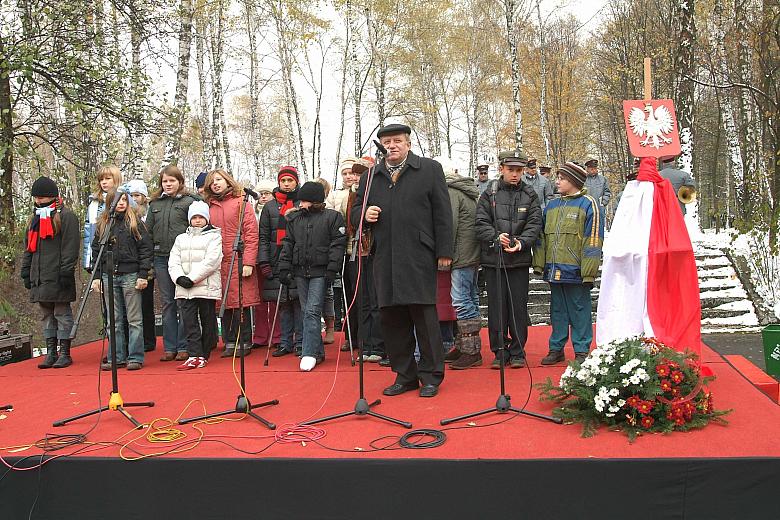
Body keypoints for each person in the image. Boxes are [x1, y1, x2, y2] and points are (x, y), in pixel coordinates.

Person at [350, 123, 453, 398]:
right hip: (384, 256)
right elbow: (355, 211)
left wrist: (445, 252)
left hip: (419, 254)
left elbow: (443, 212)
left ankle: (431, 375)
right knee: (392, 319)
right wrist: (365, 214)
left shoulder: (429, 169)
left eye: (397, 140)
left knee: (424, 316)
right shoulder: (372, 175)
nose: (391, 145)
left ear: (408, 144)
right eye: (386, 141)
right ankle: (405, 375)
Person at [475, 151, 542, 369]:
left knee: (518, 307)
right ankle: (499, 351)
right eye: (510, 170)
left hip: (519, 260)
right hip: (494, 260)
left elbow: (535, 224)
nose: (515, 174)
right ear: (501, 168)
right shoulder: (489, 193)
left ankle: (518, 351)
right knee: (496, 308)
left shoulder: (530, 194)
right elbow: (480, 222)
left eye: (519, 171)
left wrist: (522, 242)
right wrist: (495, 237)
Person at [533, 162, 604, 365]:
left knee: (579, 308)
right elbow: (541, 237)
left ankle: (581, 349)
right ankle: (556, 348)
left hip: (576, 270)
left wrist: (588, 271)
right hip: (554, 269)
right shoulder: (552, 206)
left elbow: (593, 240)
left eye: (561, 178)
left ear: (573, 181)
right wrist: (540, 265)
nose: (557, 182)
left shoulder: (589, 204)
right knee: (557, 310)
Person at [278, 182, 347, 371]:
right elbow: (288, 243)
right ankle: (317, 352)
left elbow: (337, 243)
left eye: (304, 200)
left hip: (321, 270)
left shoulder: (332, 217)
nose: (300, 204)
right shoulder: (295, 220)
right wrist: (284, 267)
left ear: (315, 201)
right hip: (300, 270)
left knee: (312, 310)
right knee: (306, 309)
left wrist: (333, 267)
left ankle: (308, 352)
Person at [90, 189, 152, 371]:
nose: (122, 203)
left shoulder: (135, 223)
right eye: (118, 200)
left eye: (125, 199)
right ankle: (116, 356)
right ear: (110, 203)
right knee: (113, 320)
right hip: (109, 275)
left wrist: (143, 274)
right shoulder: (103, 224)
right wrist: (96, 277)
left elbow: (145, 250)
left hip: (131, 274)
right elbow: (96, 252)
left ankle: (135, 356)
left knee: (134, 319)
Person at [22, 177, 80, 369]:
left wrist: (65, 271)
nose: (38, 201)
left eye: (42, 197)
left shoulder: (66, 216)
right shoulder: (34, 219)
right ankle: (51, 352)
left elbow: (70, 247)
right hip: (39, 275)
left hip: (58, 274)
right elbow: (29, 248)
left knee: (62, 313)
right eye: (36, 198)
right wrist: (26, 271)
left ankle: (65, 352)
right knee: (46, 315)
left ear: (52, 197)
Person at [204, 169, 260, 357]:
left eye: (219, 180)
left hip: (239, 258)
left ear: (228, 181)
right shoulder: (208, 206)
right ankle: (229, 341)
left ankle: (244, 340)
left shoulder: (241, 202)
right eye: (212, 182)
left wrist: (249, 262)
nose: (215, 184)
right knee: (223, 303)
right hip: (217, 261)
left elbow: (251, 233)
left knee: (240, 302)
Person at [146, 165, 199, 361]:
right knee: (167, 303)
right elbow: (148, 232)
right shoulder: (155, 204)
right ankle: (170, 347)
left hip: (184, 259)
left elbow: (198, 226)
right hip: (160, 258)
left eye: (172, 181)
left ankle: (185, 345)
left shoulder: (190, 202)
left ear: (180, 182)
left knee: (183, 301)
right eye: (165, 181)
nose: (168, 184)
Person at [168, 201, 223, 369]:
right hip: (185, 288)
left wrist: (192, 278)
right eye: (194, 217)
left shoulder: (214, 236)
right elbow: (173, 261)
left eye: (201, 217)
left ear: (207, 218)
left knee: (207, 320)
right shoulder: (181, 238)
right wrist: (179, 278)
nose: (197, 220)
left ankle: (204, 353)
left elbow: (212, 261)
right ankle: (194, 354)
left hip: (205, 286)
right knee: (189, 321)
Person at [440, 162, 483, 370]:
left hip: (460, 255)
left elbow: (449, 225)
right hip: (471, 254)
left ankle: (470, 350)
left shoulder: (449, 192)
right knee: (470, 297)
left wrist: (443, 253)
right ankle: (465, 345)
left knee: (461, 300)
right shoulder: (465, 190)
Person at [259, 166, 303, 357]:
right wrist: (264, 262)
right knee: (282, 302)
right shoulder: (269, 207)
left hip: (298, 258)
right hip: (277, 259)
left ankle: (301, 341)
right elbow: (263, 237)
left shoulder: (302, 202)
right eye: (283, 181)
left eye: (290, 181)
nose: (286, 184)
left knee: (299, 302)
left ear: (296, 182)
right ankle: (285, 342)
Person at [326, 157, 359, 350]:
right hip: (342, 250)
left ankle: (364, 337)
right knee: (347, 295)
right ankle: (350, 336)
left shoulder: (362, 192)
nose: (348, 177)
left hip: (359, 249)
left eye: (351, 173)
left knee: (359, 295)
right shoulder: (335, 196)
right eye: (345, 174)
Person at [125, 179, 157, 353]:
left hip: (147, 263)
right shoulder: (125, 215)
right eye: (131, 195)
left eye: (137, 195)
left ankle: (148, 339)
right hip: (130, 264)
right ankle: (133, 340)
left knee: (146, 303)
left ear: (144, 197)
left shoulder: (149, 213)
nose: (134, 199)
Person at [251, 179, 281, 350]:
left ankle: (278, 335)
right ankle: (261, 335)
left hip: (274, 259)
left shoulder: (278, 210)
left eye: (267, 193)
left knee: (276, 300)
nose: (263, 196)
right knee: (260, 300)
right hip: (256, 260)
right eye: (260, 194)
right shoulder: (250, 213)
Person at [83, 165, 122, 270]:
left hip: (121, 257)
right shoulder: (94, 203)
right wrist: (88, 260)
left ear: (116, 179)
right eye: (101, 179)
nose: (104, 182)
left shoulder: (124, 200)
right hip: (98, 253)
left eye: (108, 178)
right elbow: (88, 232)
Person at [313, 177, 337, 344]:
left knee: (327, 294)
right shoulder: (302, 210)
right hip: (308, 257)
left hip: (325, 257)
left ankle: (330, 327)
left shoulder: (330, 210)